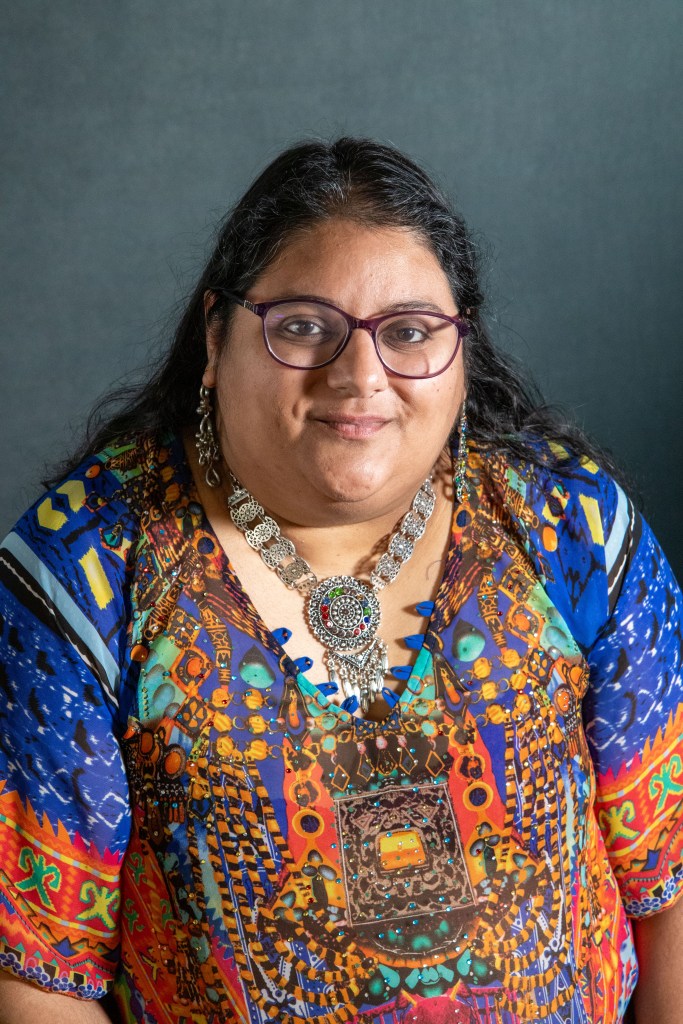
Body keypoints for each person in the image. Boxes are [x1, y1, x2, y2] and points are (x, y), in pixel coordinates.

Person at [0, 138, 681, 1024]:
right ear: (217, 336)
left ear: (459, 347)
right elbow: (33, 968)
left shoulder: (572, 527)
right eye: (303, 326)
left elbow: (670, 883)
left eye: (408, 332)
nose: (361, 376)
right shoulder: (83, 575)